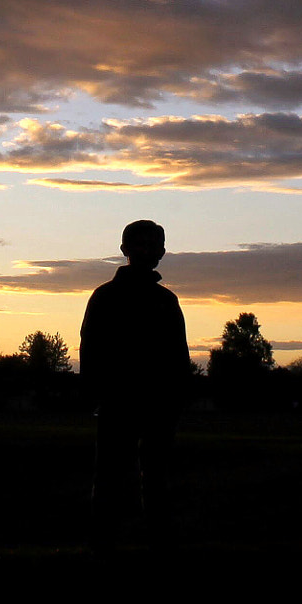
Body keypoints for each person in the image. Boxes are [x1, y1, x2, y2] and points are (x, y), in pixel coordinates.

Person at [79, 219, 189, 536]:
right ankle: (105, 543)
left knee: (156, 477)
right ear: (125, 249)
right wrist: (96, 394)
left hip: (159, 402)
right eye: (141, 244)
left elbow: (177, 354)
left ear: (163, 252)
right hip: (117, 400)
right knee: (111, 477)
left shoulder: (166, 301)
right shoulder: (105, 297)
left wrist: (177, 396)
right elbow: (91, 346)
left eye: (154, 245)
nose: (148, 251)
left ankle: (157, 540)